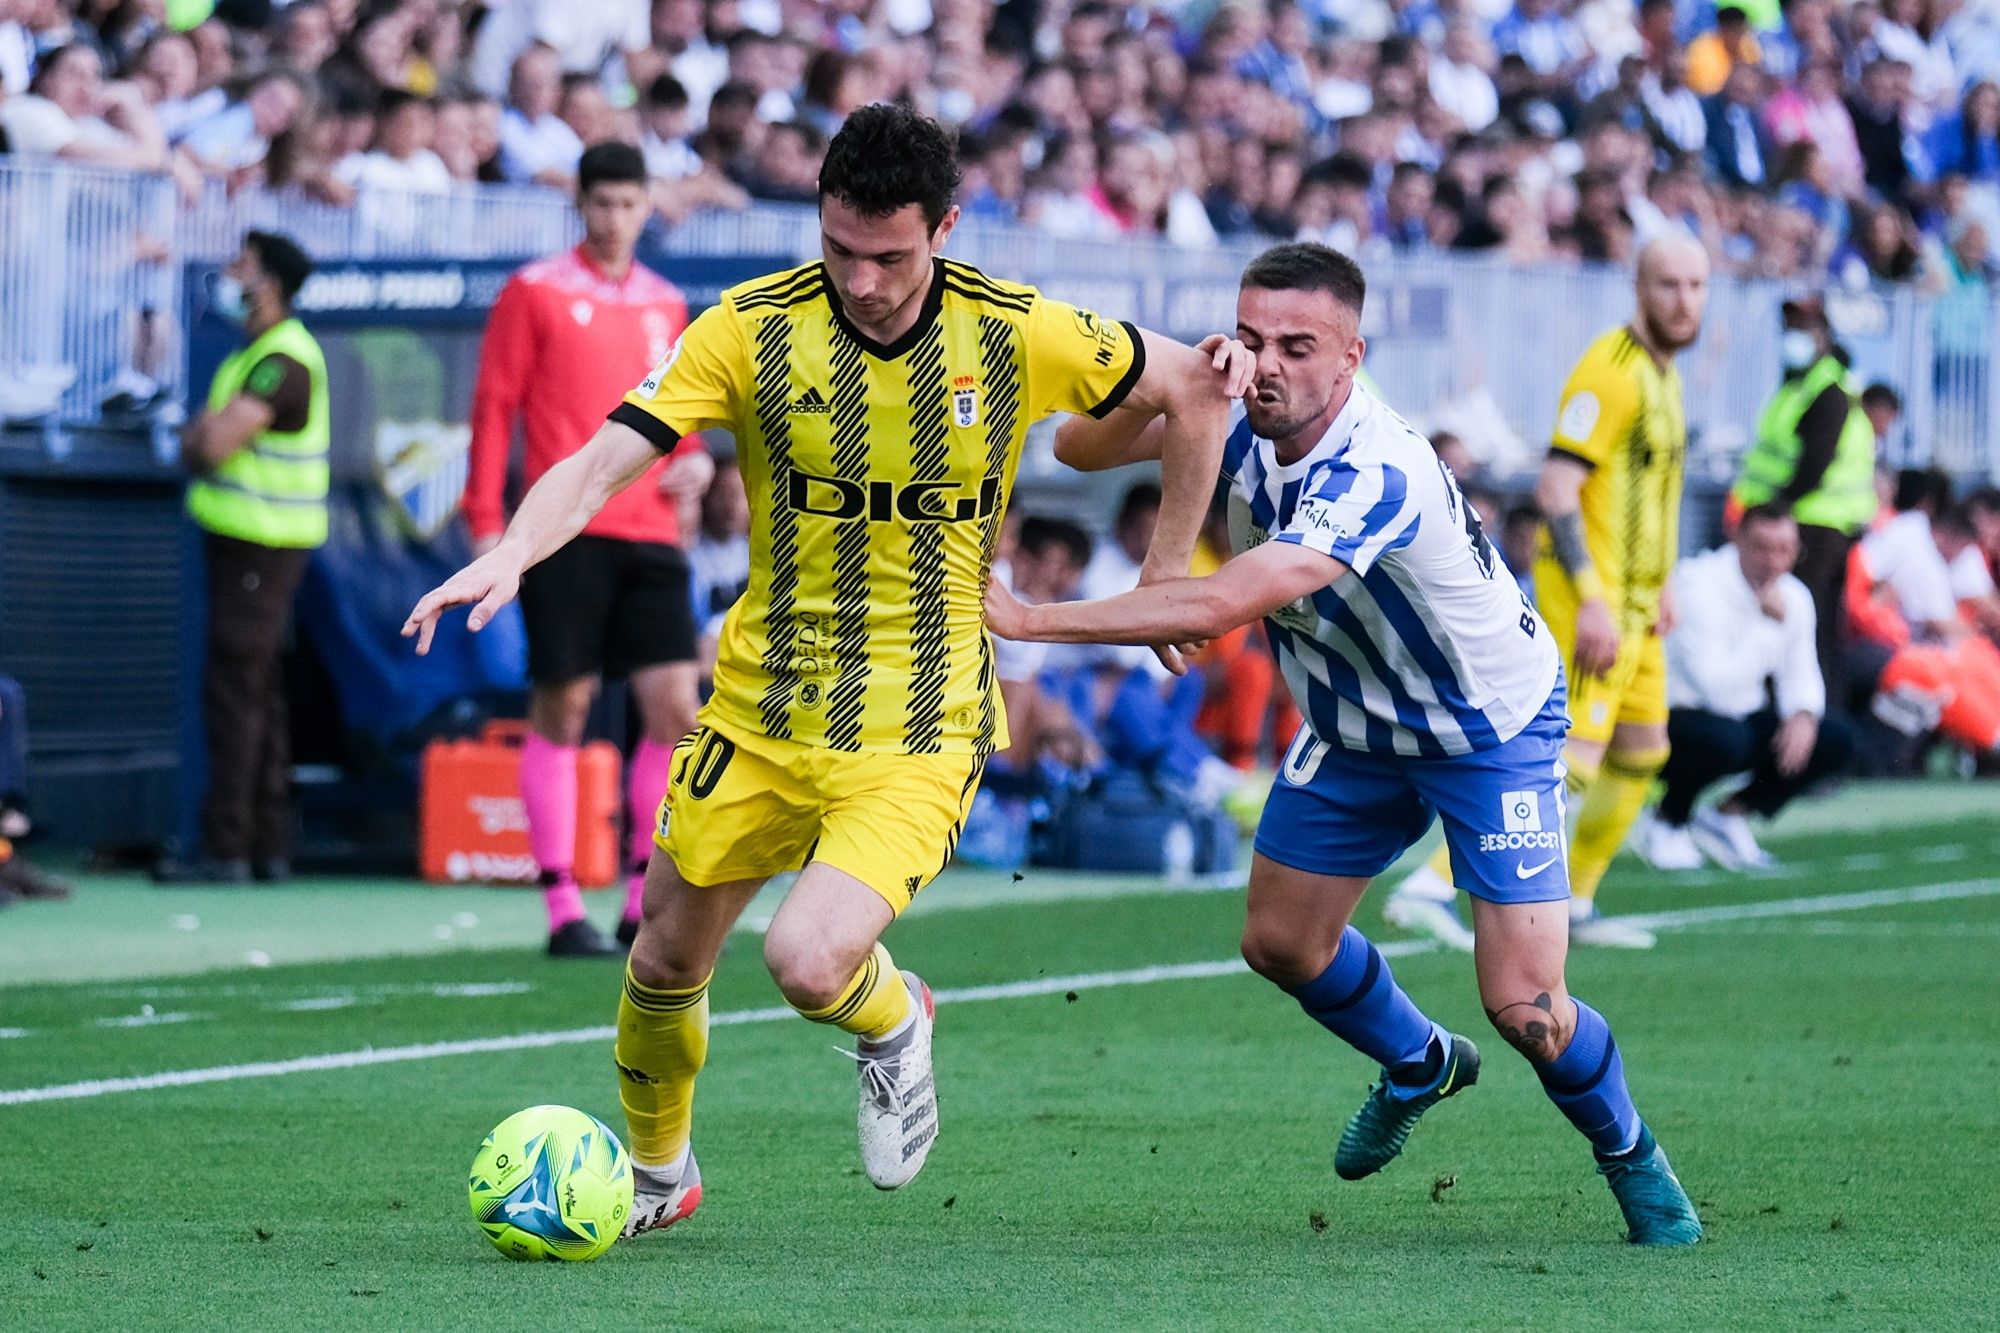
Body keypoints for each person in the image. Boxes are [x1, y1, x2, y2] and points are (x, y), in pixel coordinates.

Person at [405, 104, 1246, 1236]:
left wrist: (1157, 583)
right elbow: (606, 456)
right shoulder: (748, 328)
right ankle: (660, 1176)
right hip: (757, 710)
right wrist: (511, 549)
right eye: (838, 249)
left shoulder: (1015, 329)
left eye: (890, 255)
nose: (860, 280)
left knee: (807, 962)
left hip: (921, 718)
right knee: (659, 959)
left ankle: (894, 1020)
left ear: (944, 228)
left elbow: (1195, 387)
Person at [988, 241, 1701, 1247]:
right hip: (1356, 727)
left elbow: (1238, 594)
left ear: (1350, 357)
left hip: (1483, 727)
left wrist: (1029, 620)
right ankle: (1417, 1060)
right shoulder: (1233, 409)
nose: (1265, 364)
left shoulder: (1376, 466)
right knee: (1278, 942)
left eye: (1295, 344)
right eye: (1249, 339)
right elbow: (1072, 446)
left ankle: (1631, 1156)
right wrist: (1181, 386)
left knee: (1526, 1005)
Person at [1390, 233, 1712, 951]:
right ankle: (1430, 884)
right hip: (1592, 601)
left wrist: (1660, 584)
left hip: (1639, 606)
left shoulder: (1666, 375)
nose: (1684, 301)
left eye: (1695, 286)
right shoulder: (1611, 371)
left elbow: (1650, 494)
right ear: (1639, 288)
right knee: (1565, 760)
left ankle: (1578, 898)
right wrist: (1594, 597)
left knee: (1642, 750)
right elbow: (1557, 488)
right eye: (1669, 285)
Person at [464, 142, 711, 959]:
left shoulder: (666, 302)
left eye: (628, 203)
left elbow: (671, 418)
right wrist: (485, 522)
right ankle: (562, 904)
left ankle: (642, 898)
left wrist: (694, 461)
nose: (613, 219)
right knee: (563, 705)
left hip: (650, 532)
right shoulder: (534, 288)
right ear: (580, 204)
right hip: (565, 528)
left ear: (648, 207)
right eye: (600, 203)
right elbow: (495, 405)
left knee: (675, 709)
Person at [154, 232, 326, 885]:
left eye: (242, 266)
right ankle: (266, 844)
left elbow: (210, 444)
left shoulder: (281, 360)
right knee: (259, 690)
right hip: (257, 543)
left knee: (236, 690)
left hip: (263, 541)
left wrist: (199, 433)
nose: (229, 275)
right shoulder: (260, 354)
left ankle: (226, 846)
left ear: (270, 283)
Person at [1643, 506, 1853, 871]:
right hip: (1673, 717)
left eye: (1785, 549)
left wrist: (1803, 715)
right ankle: (1667, 817)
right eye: (1762, 547)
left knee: (1833, 739)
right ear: (1737, 539)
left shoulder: (1794, 596)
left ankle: (1727, 815)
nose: (1773, 561)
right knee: (1726, 740)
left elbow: (1801, 670)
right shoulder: (1698, 585)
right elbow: (1713, 688)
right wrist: (1767, 626)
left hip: (1738, 718)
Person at [1730, 295, 1879, 701]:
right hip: (1802, 524)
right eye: (1791, 328)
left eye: (1804, 329)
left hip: (1813, 527)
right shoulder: (1799, 383)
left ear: (1823, 336)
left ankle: (1810, 717)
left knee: (1802, 625)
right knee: (1808, 624)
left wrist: (1767, 512)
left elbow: (1812, 467)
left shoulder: (1827, 392)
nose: (1794, 337)